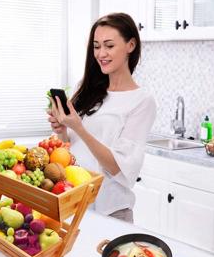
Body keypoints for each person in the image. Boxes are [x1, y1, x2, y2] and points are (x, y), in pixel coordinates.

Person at [48, 13, 156, 223]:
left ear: (130, 45)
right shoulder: (86, 87)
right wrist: (62, 130)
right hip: (73, 202)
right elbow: (70, 150)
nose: (101, 53)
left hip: (110, 210)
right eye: (96, 46)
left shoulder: (142, 101)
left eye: (109, 45)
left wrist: (79, 128)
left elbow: (120, 167)